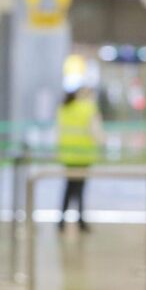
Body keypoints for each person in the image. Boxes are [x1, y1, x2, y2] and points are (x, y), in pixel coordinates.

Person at [57, 89, 102, 233]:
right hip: (83, 155)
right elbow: (96, 132)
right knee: (80, 189)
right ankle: (80, 220)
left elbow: (58, 130)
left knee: (69, 187)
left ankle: (62, 220)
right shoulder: (88, 109)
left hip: (68, 155)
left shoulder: (64, 108)